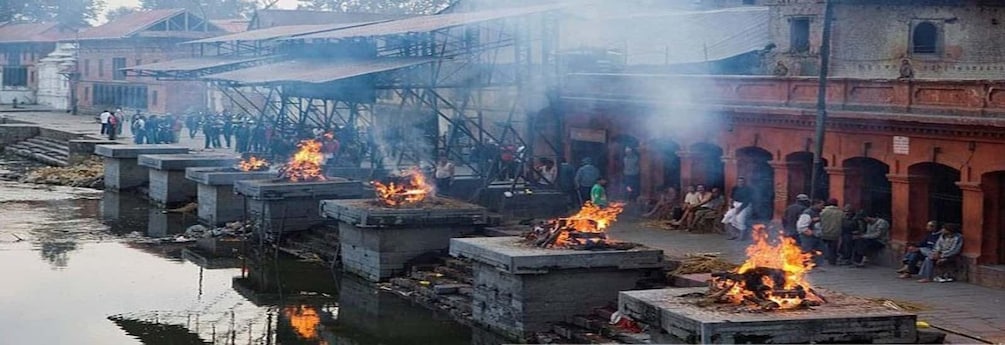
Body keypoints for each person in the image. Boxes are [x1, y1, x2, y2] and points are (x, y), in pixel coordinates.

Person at [797, 199, 826, 264]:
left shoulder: (818, 213)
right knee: (807, 251)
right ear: (816, 204)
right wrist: (811, 233)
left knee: (818, 251)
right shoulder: (807, 213)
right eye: (821, 205)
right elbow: (801, 226)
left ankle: (815, 265)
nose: (823, 207)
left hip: (816, 236)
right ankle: (804, 265)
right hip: (808, 237)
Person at [818, 198, 844, 265]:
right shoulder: (840, 213)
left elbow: (819, 220)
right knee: (833, 248)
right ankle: (832, 261)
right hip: (835, 233)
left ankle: (820, 260)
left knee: (821, 247)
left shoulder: (823, 212)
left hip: (824, 232)